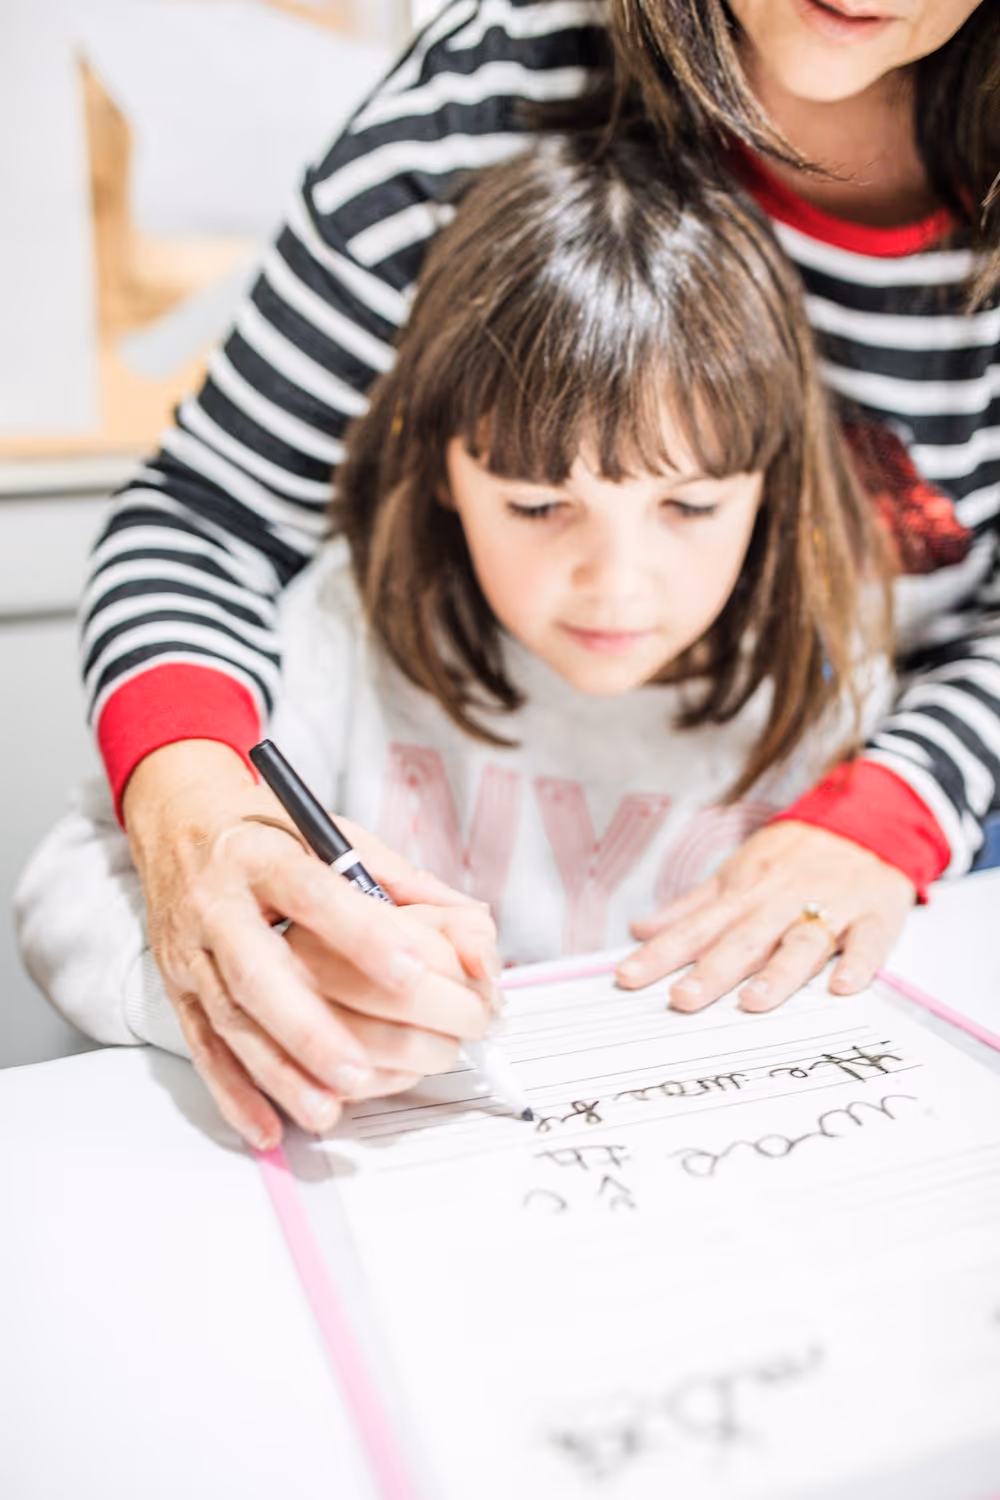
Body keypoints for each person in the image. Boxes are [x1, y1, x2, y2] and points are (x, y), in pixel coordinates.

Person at [71, 1, 999, 1146]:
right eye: (540, 503)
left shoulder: (829, 692)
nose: (617, 584)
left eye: (690, 504)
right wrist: (208, 843)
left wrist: (889, 809)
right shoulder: (495, 84)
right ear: (439, 461)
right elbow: (209, 513)